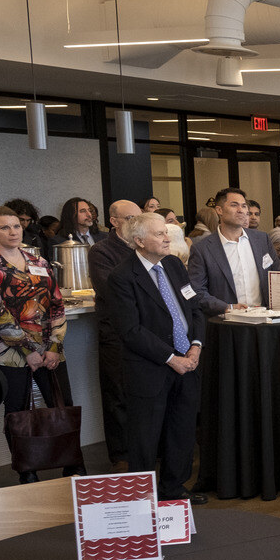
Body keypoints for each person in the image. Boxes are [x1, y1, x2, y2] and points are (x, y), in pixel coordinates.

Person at [108, 212, 206, 504]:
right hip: (150, 369)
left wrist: (196, 346)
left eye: (167, 233)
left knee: (182, 430)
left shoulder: (175, 265)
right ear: (139, 241)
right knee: (145, 437)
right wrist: (171, 358)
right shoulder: (122, 277)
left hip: (188, 363)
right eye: (159, 234)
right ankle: (142, 498)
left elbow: (194, 308)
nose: (167, 238)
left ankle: (174, 490)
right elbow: (130, 330)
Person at [0, 206, 80, 484]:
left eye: (16, 226)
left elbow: (57, 304)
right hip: (10, 353)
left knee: (62, 406)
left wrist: (54, 347)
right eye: (4, 227)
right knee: (18, 412)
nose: (13, 232)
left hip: (49, 348)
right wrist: (28, 350)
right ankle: (27, 470)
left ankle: (72, 464)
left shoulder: (37, 260)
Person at [87, 199, 143, 469]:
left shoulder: (144, 246)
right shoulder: (102, 251)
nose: (136, 223)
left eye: (139, 217)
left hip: (146, 333)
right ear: (114, 221)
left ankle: (146, 450)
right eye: (130, 218)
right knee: (117, 396)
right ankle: (121, 456)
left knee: (143, 395)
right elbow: (113, 291)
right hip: (116, 334)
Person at [188, 187, 280, 316]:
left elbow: (278, 274)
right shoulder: (202, 249)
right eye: (234, 205)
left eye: (244, 206)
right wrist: (227, 307)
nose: (241, 210)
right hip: (228, 323)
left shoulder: (262, 240)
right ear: (219, 210)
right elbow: (197, 291)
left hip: (264, 319)